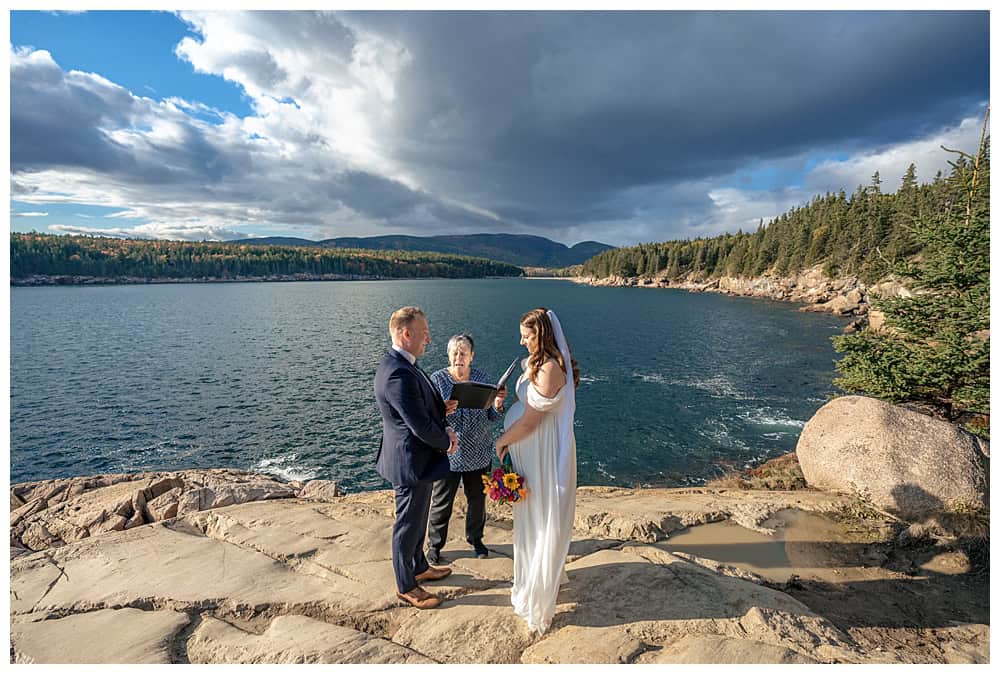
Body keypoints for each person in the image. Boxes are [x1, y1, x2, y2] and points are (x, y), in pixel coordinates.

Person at [495, 307, 579, 634]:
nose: (522, 341)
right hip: (530, 453)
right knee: (530, 516)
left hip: (542, 454)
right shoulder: (537, 364)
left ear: (542, 334)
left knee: (541, 516)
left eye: (527, 335)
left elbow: (531, 422)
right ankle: (535, 573)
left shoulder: (549, 369)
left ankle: (539, 590)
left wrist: (502, 440)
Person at [374, 306, 460, 610]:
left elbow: (418, 409)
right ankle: (406, 585)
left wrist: (440, 409)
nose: (428, 338)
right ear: (406, 333)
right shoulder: (398, 372)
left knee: (419, 516)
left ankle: (419, 565)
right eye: (424, 333)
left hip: (414, 459)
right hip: (409, 461)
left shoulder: (404, 364)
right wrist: (447, 442)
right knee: (407, 523)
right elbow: (417, 425)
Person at [427, 334, 507, 564]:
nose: (458, 357)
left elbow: (492, 416)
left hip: (479, 452)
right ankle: (435, 545)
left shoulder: (483, 379)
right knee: (442, 502)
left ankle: (476, 539)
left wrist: (499, 403)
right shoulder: (437, 380)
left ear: (472, 356)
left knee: (478, 501)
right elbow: (428, 416)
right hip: (448, 453)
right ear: (448, 355)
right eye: (454, 352)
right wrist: (442, 410)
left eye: (463, 353)